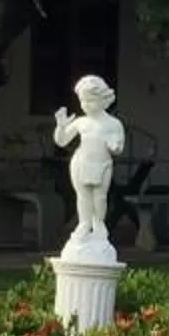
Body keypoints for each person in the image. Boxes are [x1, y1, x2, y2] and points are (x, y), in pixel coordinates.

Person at [52, 74, 130, 243]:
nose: (86, 105)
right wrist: (60, 126)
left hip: (102, 165)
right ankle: (84, 223)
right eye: (83, 101)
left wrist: (114, 145)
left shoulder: (113, 124)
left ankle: (99, 223)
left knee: (100, 197)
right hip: (81, 163)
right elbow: (62, 140)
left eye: (91, 100)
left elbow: (119, 147)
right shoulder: (81, 122)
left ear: (103, 99)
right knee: (83, 196)